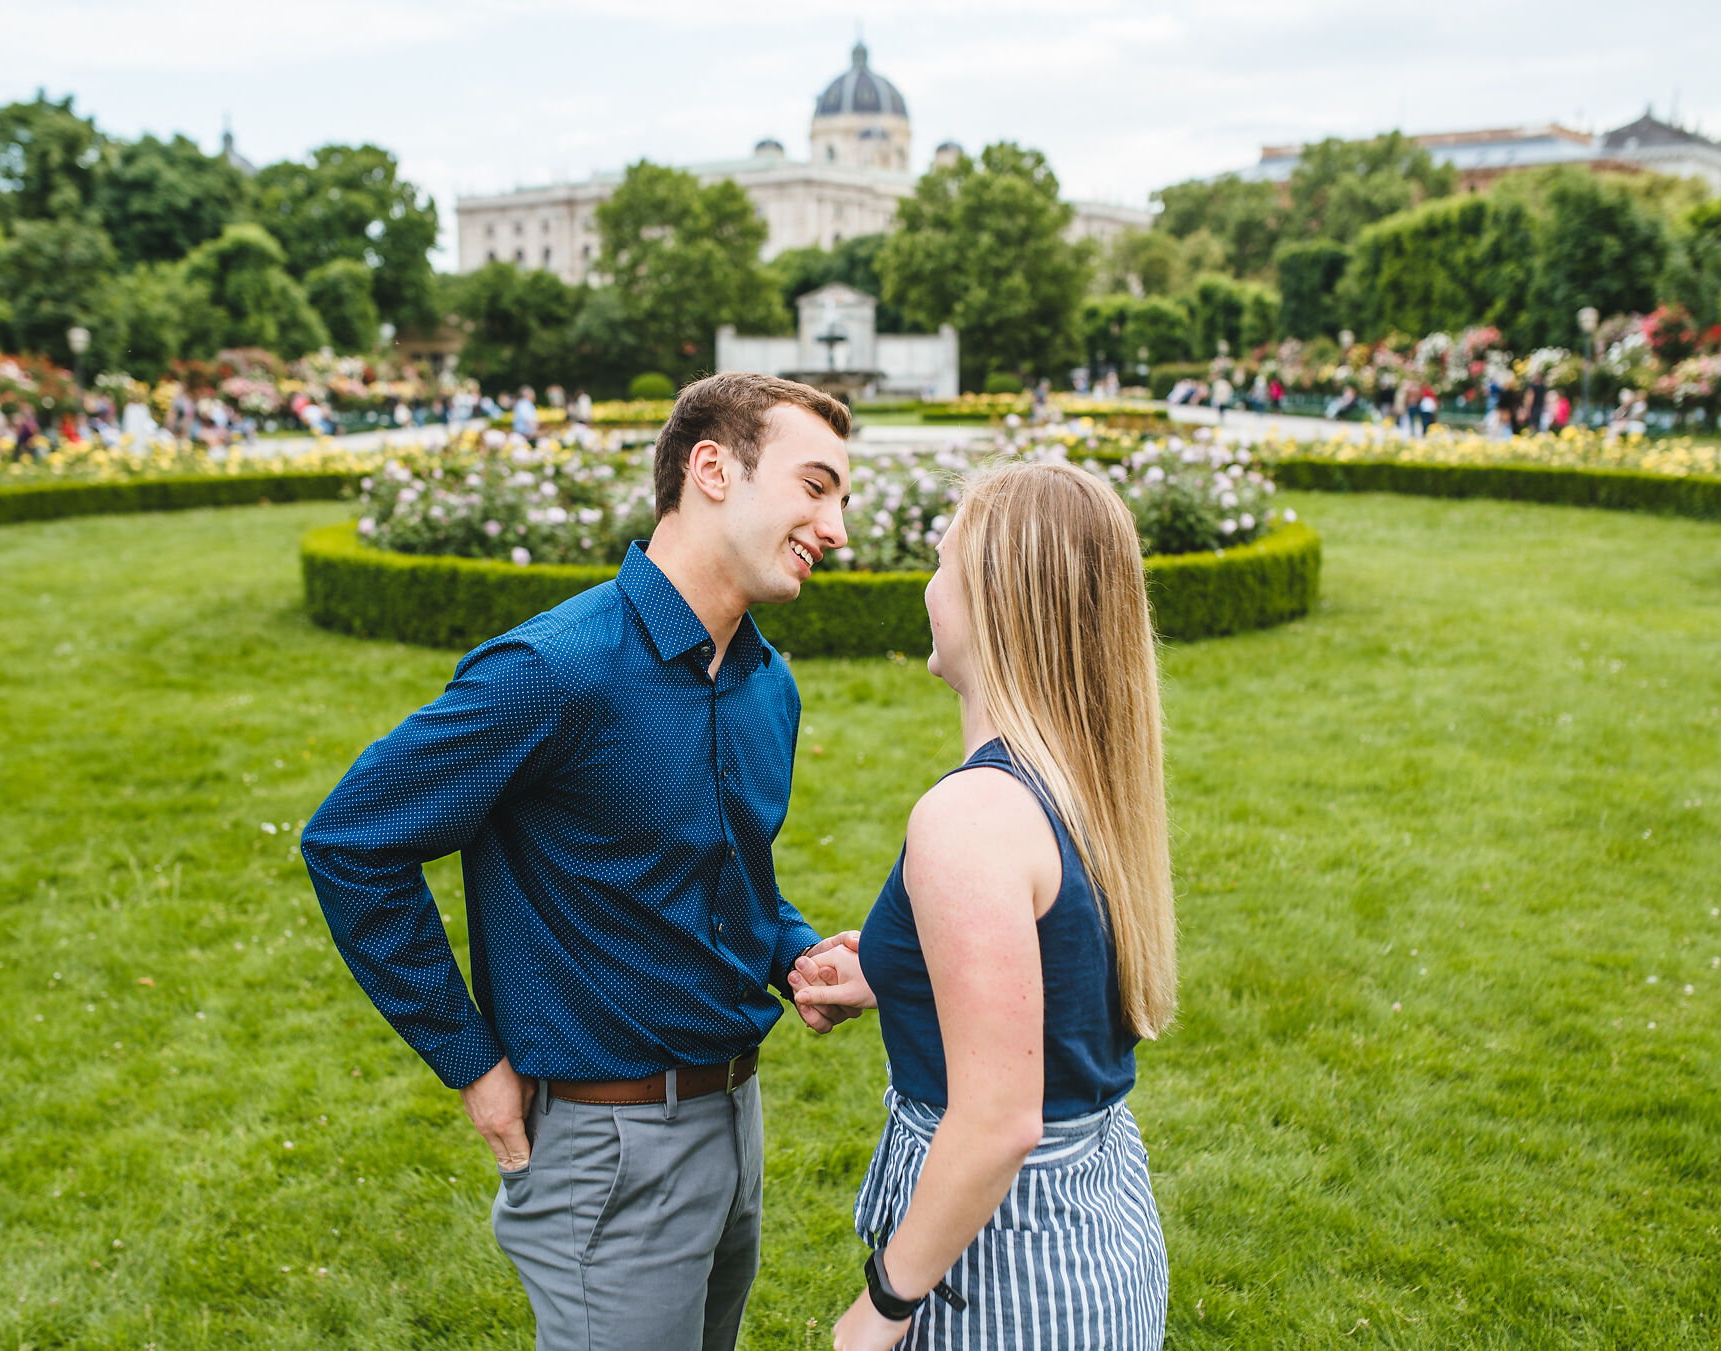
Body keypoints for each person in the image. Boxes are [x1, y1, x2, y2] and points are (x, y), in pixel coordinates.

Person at [302, 373, 872, 1351]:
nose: (836, 528)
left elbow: (723, 872)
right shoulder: (551, 671)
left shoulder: (764, 683)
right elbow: (353, 840)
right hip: (608, 1148)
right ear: (711, 471)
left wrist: (791, 955)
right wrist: (468, 1056)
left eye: (841, 500)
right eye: (815, 486)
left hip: (735, 1120)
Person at [794, 460, 1174, 1351]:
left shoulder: (970, 816)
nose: (929, 588)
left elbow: (999, 1120)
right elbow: (1056, 968)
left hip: (1005, 1268)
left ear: (994, 596)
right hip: (1096, 1224)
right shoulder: (1083, 781)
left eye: (941, 562)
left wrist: (878, 1310)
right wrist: (895, 971)